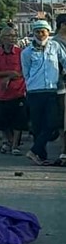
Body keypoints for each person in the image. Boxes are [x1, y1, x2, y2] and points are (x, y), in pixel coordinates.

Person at [21, 20, 66, 165]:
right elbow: (26, 72)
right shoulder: (27, 52)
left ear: (48, 32)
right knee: (37, 125)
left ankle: (33, 150)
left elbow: (64, 61)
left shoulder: (55, 46)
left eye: (43, 31)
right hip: (34, 92)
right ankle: (41, 156)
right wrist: (32, 84)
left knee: (53, 123)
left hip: (52, 90)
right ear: (33, 33)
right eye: (37, 32)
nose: (41, 34)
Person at [0, 27, 27, 156]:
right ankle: (8, 141)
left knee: (18, 121)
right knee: (3, 121)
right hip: (2, 93)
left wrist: (11, 76)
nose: (11, 38)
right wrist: (8, 74)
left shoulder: (20, 52)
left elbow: (25, 71)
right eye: (8, 36)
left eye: (13, 36)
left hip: (18, 91)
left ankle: (15, 145)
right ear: (2, 38)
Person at [51, 14, 66, 166]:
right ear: (62, 25)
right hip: (61, 84)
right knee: (63, 116)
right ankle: (63, 147)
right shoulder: (54, 43)